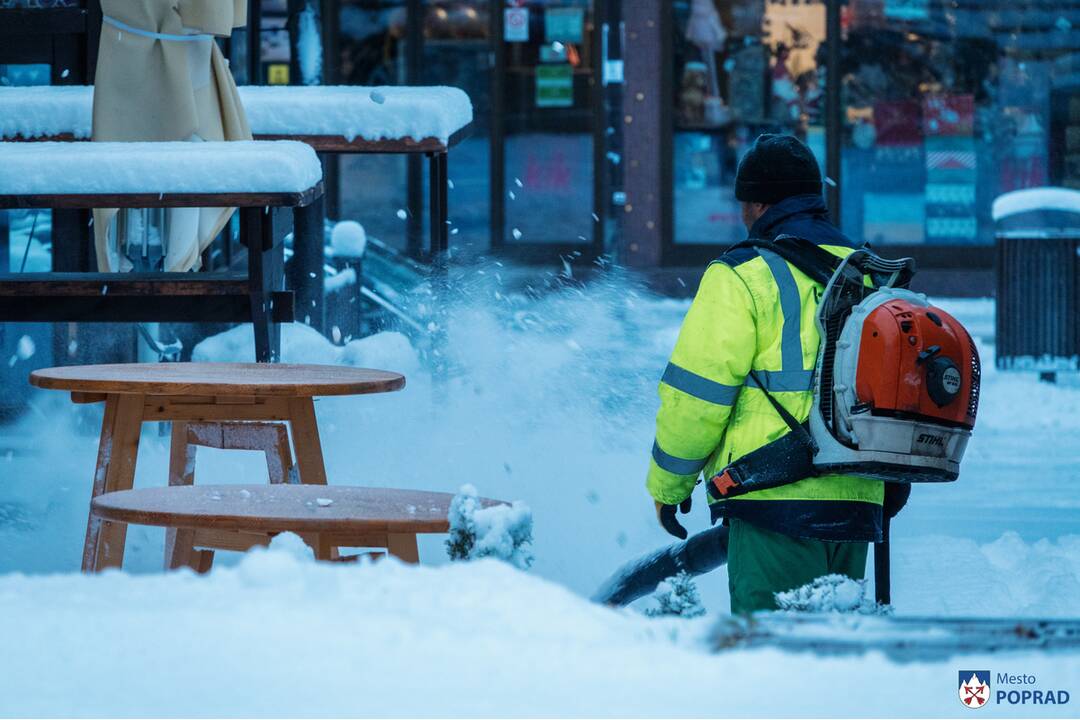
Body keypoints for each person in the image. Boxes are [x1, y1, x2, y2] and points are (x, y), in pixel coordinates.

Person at [645, 133, 908, 614]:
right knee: (831, 654)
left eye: (744, 203)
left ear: (757, 205)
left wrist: (669, 487)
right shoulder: (867, 274)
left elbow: (696, 396)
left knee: (770, 663)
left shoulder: (742, 275)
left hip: (772, 500)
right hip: (857, 500)